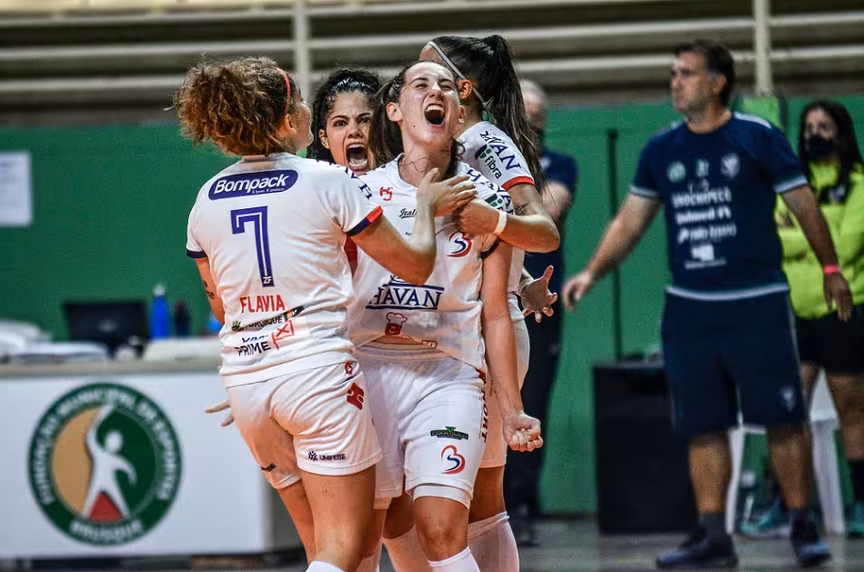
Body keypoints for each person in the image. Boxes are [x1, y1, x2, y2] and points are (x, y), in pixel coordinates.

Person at [177, 56, 474, 572]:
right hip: (317, 376)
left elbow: (221, 308)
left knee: (321, 549)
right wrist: (426, 206)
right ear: (283, 118)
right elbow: (414, 265)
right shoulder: (325, 180)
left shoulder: (206, 199)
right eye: (297, 102)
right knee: (344, 550)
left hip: (247, 384)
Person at [562, 40, 851, 569]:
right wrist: (592, 272)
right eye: (673, 73)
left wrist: (831, 270)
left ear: (717, 82)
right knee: (702, 423)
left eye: (686, 73)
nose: (675, 82)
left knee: (783, 418)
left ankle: (801, 525)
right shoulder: (662, 149)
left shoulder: (757, 137)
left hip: (757, 303)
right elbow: (630, 220)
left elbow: (803, 204)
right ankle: (714, 535)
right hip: (691, 308)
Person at [352, 59, 543, 572]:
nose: (435, 91)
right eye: (420, 84)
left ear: (460, 112)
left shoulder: (488, 198)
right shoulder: (360, 191)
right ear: (394, 110)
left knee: (441, 528)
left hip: (448, 372)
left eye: (446, 86)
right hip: (369, 372)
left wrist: (511, 409)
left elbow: (496, 314)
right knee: (376, 528)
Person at [401, 34, 558, 571]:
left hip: (488, 333)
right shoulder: (440, 147)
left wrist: (506, 248)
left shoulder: (484, 140)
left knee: (480, 501)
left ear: (462, 90)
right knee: (456, 504)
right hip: (453, 332)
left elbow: (541, 228)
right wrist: (523, 275)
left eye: (432, 73)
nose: (421, 82)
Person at [744, 100, 864, 539]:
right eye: (809, 127)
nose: (815, 134)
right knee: (789, 408)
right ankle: (789, 505)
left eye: (824, 127)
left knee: (852, 409)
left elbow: (846, 245)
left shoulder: (858, 184)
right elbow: (773, 238)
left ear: (841, 133)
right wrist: (808, 241)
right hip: (793, 312)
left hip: (843, 310)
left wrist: (800, 240)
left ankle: (861, 503)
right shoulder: (793, 186)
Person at [503, 79, 577, 546]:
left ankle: (524, 502)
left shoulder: (558, 165)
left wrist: (495, 211)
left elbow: (544, 217)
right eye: (522, 114)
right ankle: (495, 502)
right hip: (492, 297)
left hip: (538, 300)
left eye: (537, 116)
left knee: (533, 397)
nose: (530, 123)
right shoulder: (486, 162)